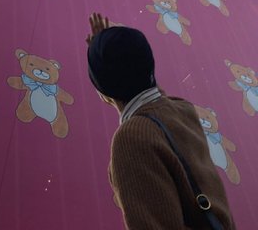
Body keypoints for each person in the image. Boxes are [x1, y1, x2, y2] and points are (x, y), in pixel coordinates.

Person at [86, 12, 235, 230]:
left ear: (103, 91)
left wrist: (102, 56)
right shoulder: (181, 109)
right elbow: (151, 99)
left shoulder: (131, 139)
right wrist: (110, 48)